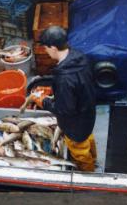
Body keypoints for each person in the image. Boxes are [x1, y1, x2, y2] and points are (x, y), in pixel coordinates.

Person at [32, 26, 97, 171]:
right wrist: (53, 89)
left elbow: (64, 110)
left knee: (80, 152)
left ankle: (89, 173)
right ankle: (93, 158)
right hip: (88, 114)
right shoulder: (79, 56)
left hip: (76, 126)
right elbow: (79, 85)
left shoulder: (64, 79)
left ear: (53, 48)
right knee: (88, 139)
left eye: (46, 48)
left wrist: (43, 100)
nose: (46, 52)